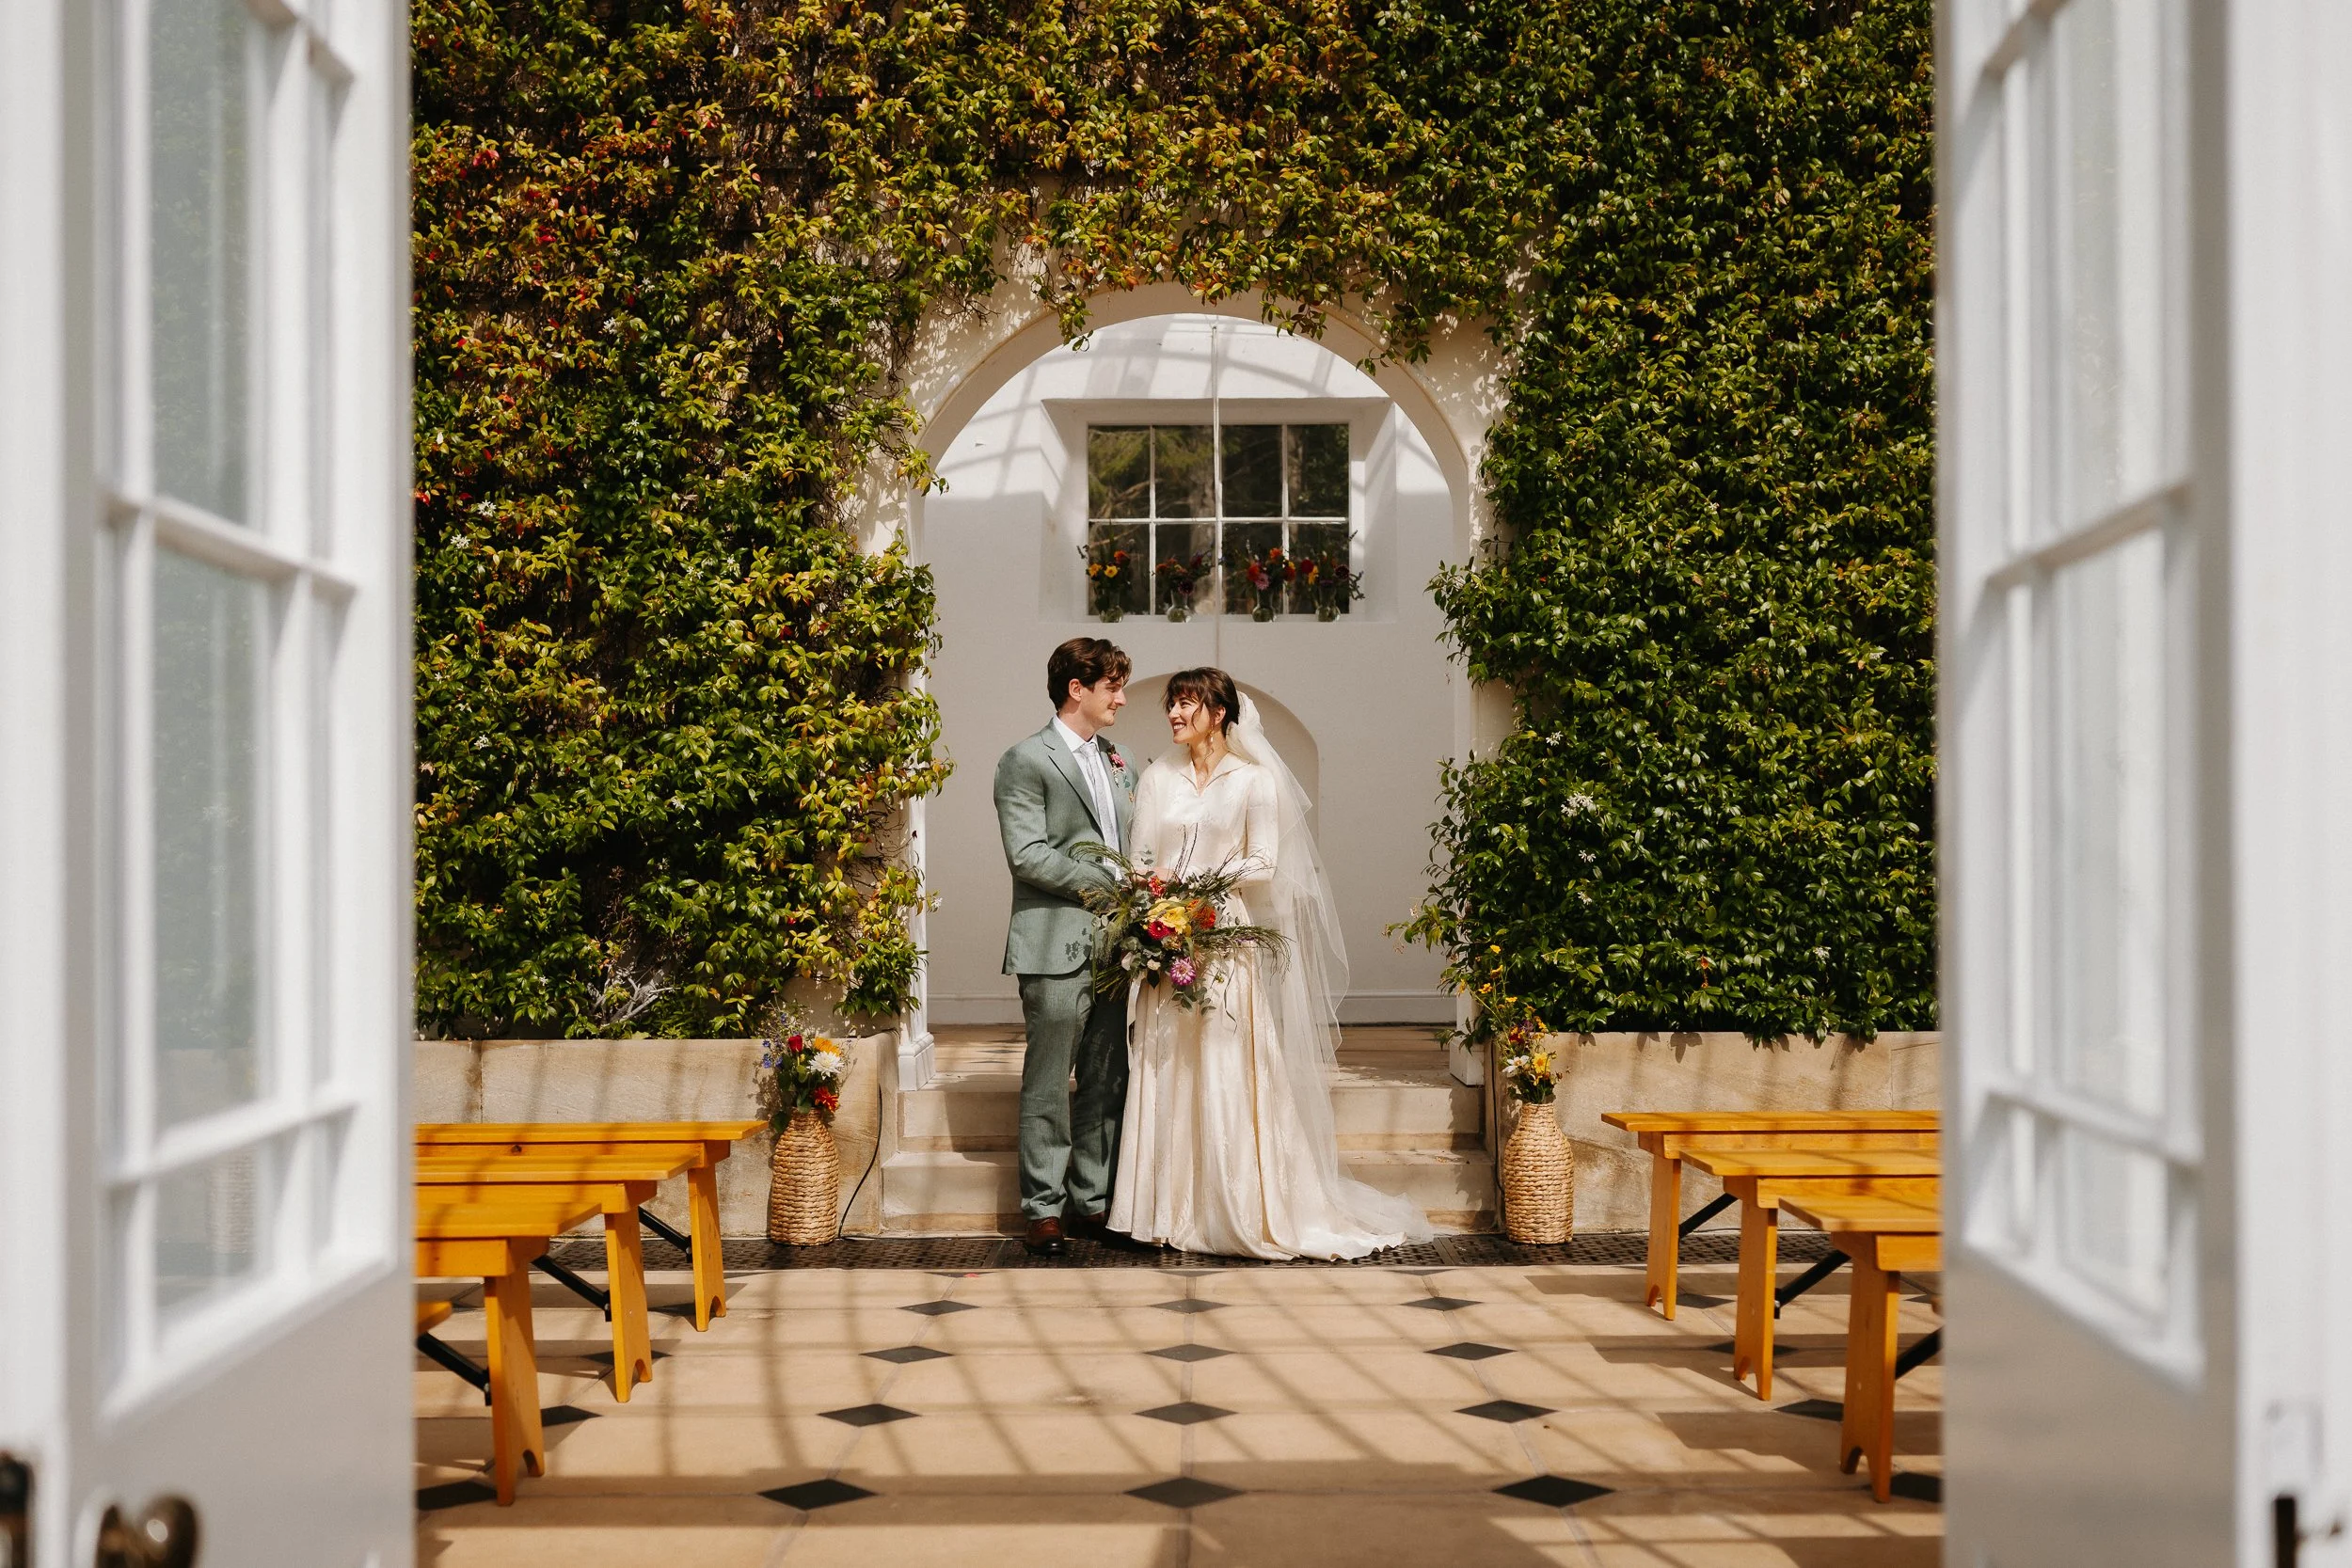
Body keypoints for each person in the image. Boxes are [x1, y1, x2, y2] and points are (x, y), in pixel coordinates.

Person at [1108, 666, 1431, 1259]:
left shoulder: (1253, 782)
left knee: (1225, 1060)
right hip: (1164, 937)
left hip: (1227, 937)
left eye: (1187, 705)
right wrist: (1157, 899)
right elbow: (1141, 855)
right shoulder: (1157, 776)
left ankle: (1241, 1203)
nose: (1175, 715)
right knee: (1169, 1060)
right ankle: (1168, 1209)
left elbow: (1262, 861)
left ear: (1219, 713)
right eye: (1172, 706)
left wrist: (1199, 890)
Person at [993, 637, 1137, 1257]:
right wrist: (1113, 880)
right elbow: (1026, 853)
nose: (1123, 698)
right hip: (1054, 942)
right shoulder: (1025, 760)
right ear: (1077, 688)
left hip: (1120, 944)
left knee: (1108, 1075)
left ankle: (1092, 1199)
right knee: (1051, 1081)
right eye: (1113, 686)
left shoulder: (1122, 758)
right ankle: (1043, 1208)